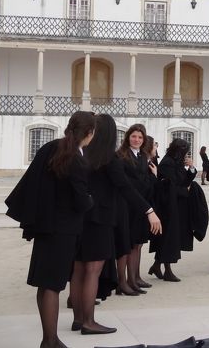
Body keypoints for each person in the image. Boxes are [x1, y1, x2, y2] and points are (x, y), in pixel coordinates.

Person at [5, 111, 95, 348]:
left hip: (45, 225)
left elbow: (32, 183)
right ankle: (50, 340)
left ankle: (49, 338)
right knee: (53, 286)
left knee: (44, 284)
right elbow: (80, 201)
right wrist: (90, 200)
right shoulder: (77, 159)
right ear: (89, 133)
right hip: (64, 230)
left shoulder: (51, 148)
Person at [71, 115, 161, 335]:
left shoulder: (82, 153)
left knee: (78, 269)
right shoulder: (109, 158)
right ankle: (89, 321)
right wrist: (149, 211)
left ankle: (78, 318)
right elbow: (125, 188)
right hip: (100, 219)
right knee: (93, 270)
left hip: (80, 217)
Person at [149, 138, 197, 281]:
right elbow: (169, 187)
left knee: (170, 237)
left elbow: (183, 181)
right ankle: (167, 270)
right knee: (168, 238)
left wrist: (192, 168)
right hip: (167, 207)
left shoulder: (176, 162)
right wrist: (185, 191)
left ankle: (157, 266)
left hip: (176, 205)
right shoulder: (167, 163)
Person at [116, 123, 156, 294]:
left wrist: (154, 176)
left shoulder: (143, 156)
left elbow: (145, 182)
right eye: (134, 136)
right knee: (126, 244)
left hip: (140, 205)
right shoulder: (120, 155)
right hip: (126, 205)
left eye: (140, 137)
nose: (137, 140)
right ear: (128, 137)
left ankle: (134, 278)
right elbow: (125, 184)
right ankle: (122, 282)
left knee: (137, 244)